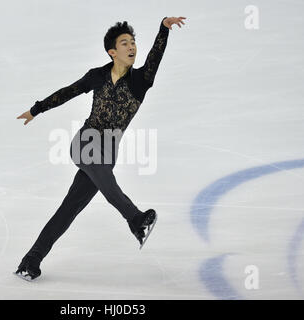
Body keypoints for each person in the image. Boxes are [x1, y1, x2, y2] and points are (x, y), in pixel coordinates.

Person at [15, 16, 187, 281]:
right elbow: (68, 92)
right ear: (112, 51)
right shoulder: (97, 76)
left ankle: (30, 261)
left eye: (133, 42)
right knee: (103, 180)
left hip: (108, 151)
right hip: (86, 141)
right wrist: (36, 109)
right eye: (124, 43)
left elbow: (155, 55)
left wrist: (164, 28)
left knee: (67, 210)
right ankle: (135, 219)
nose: (132, 47)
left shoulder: (141, 80)